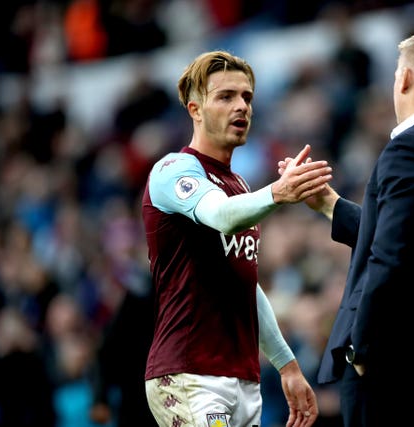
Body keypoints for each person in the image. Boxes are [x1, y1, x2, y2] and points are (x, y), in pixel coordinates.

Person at [280, 29, 414, 426]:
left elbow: (393, 256)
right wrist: (330, 205)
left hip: (400, 369)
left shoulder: (410, 147)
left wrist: (364, 352)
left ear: (404, 79)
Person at [141, 50, 329, 427]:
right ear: (195, 109)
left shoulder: (238, 185)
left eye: (247, 97)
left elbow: (245, 283)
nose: (241, 106)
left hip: (243, 380)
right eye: (225, 96)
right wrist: (278, 192)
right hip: (189, 374)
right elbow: (221, 216)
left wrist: (287, 365)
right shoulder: (173, 170)